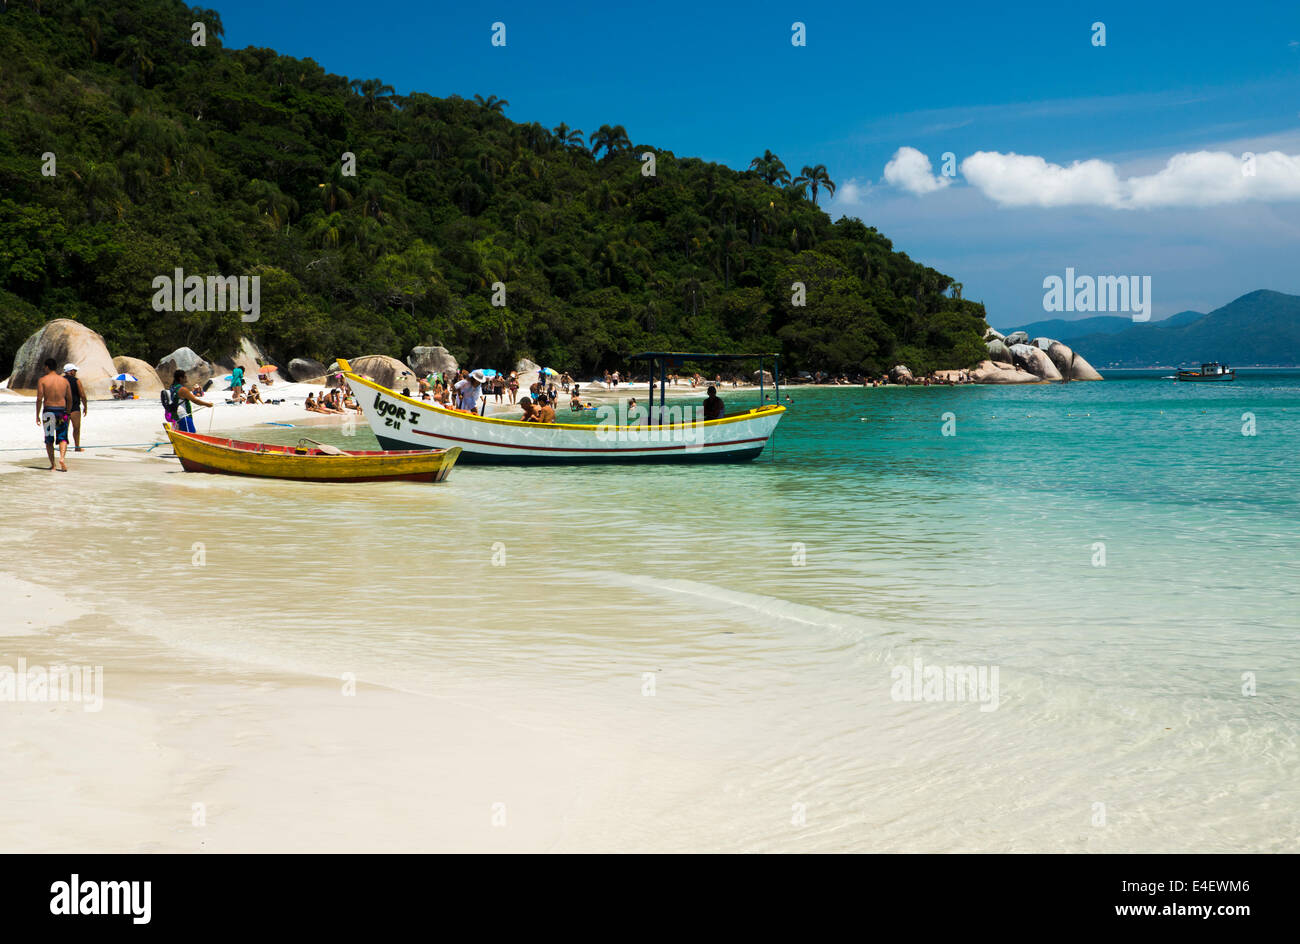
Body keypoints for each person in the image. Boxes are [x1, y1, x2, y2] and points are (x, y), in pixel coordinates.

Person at [36, 358, 71, 471]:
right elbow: (69, 398)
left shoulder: (43, 380)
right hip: (62, 411)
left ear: (47, 367)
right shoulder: (64, 381)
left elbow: (39, 398)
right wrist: (68, 412)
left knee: (49, 439)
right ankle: (61, 458)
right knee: (63, 437)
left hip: (49, 411)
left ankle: (53, 465)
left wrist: (37, 414)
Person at [63, 363, 87, 452]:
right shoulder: (77, 381)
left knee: (63, 428)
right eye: (75, 370)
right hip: (74, 407)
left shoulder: (60, 380)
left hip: (63, 407)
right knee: (76, 428)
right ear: (71, 371)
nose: (76, 372)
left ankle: (63, 446)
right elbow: (83, 395)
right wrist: (85, 406)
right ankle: (77, 447)